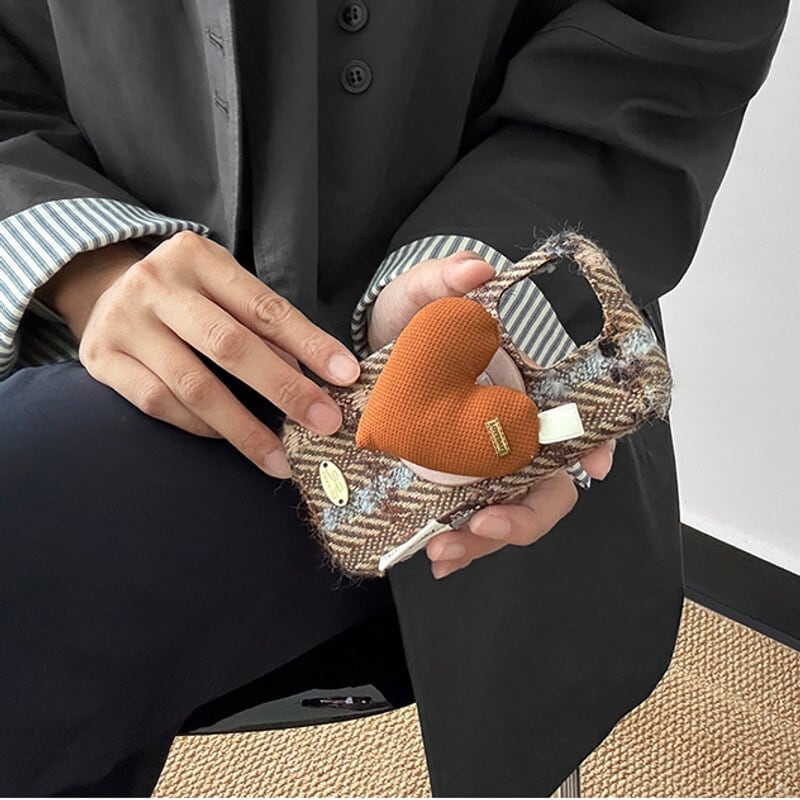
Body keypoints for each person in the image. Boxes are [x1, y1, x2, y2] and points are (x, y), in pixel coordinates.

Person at [0, 1, 788, 796]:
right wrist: (87, 262)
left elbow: (671, 38)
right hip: (93, 339)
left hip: (442, 448)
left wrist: (468, 304)